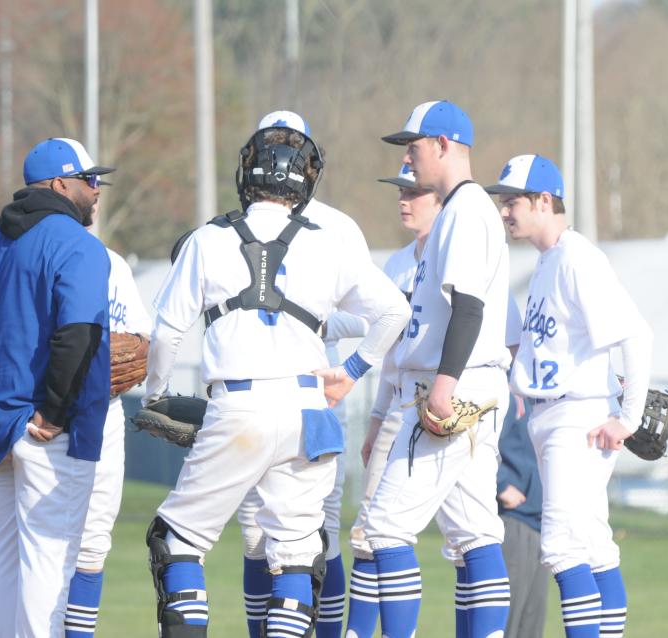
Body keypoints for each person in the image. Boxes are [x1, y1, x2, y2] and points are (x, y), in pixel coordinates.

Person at [143, 116, 410, 638]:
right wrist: (352, 371)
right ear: (304, 182)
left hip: (239, 405)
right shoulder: (326, 243)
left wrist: (154, 395)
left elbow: (167, 333)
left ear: (247, 174)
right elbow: (394, 313)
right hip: (309, 410)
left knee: (177, 541)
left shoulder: (206, 239)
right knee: (295, 553)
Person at [361, 101, 513, 638]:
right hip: (471, 381)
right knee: (475, 533)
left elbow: (468, 307)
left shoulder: (467, 210)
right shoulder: (459, 211)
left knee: (384, 528)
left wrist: (444, 386)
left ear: (444, 145)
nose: (409, 155)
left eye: (414, 145)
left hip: (455, 385)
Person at [485, 154, 652, 638]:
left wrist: (629, 418)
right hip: (553, 414)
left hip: (576, 415)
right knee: (594, 546)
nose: (504, 211)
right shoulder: (547, 261)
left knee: (560, 548)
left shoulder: (579, 258)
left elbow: (637, 335)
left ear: (543, 200)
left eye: (512, 201)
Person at [0, 137, 113, 637]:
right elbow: (80, 333)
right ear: (59, 183)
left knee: (3, 551)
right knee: (50, 557)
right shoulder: (77, 245)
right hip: (46, 431)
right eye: (90, 180)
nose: (97, 190)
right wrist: (55, 413)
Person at [233, 111, 372, 638]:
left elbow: (371, 312)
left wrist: (315, 319)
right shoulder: (237, 223)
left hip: (314, 396)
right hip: (253, 397)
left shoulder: (336, 227)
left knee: (318, 535)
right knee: (256, 539)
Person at [344, 164, 443, 638]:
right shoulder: (397, 265)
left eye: (416, 191)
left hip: (445, 408)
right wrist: (377, 419)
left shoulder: (460, 256)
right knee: (367, 533)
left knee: (472, 537)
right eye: (401, 191)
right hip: (399, 403)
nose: (404, 200)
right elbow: (387, 353)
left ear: (439, 198)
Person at [63, 171, 153, 637]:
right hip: (50, 415)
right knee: (43, 545)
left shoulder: (115, 264)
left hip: (106, 411)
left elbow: (141, 340)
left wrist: (136, 354)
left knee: (94, 545)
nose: (96, 193)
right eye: (88, 181)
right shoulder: (38, 255)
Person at [496, 394, 549, 638]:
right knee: (504, 620)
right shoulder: (509, 392)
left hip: (541, 521)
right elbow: (481, 440)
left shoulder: (543, 394)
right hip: (513, 518)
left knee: (531, 625)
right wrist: (501, 483)